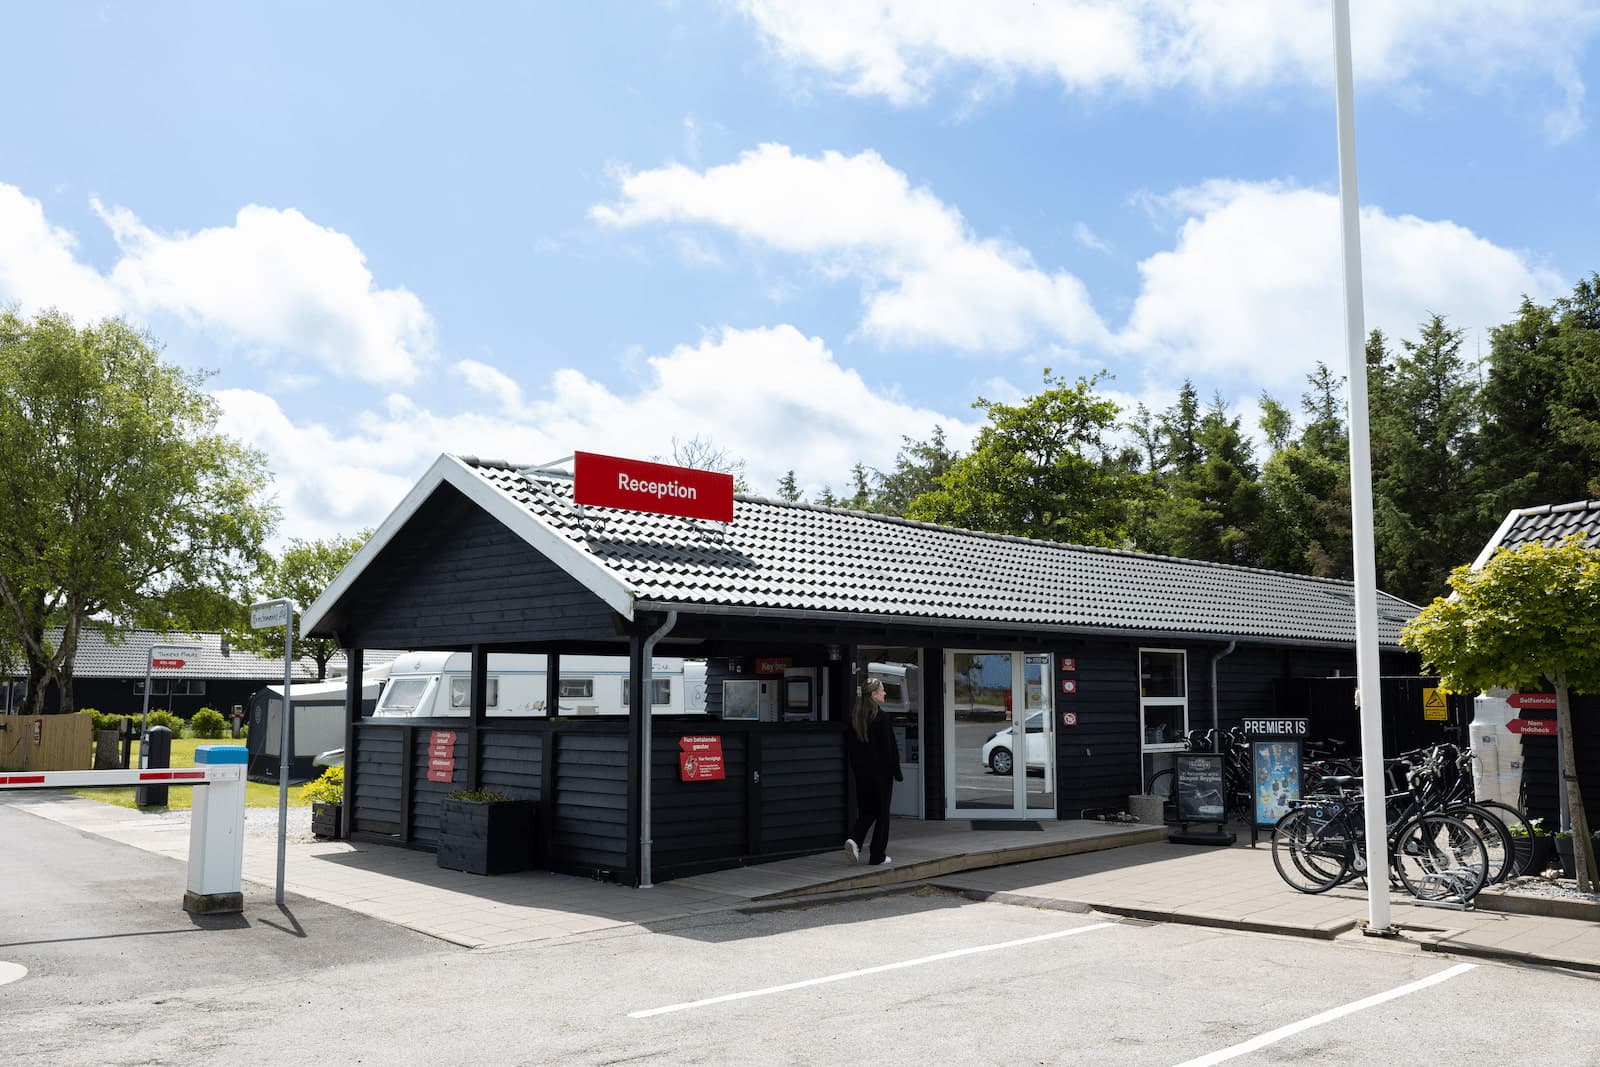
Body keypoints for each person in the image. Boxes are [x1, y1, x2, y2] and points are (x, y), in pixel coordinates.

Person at [844, 675, 902, 867]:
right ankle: (878, 855)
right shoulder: (881, 718)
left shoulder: (856, 718)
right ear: (875, 694)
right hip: (881, 776)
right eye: (882, 690)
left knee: (868, 811)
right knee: (883, 814)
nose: (885, 693)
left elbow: (851, 751)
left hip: (861, 776)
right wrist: (896, 772)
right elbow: (889, 749)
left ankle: (855, 839)